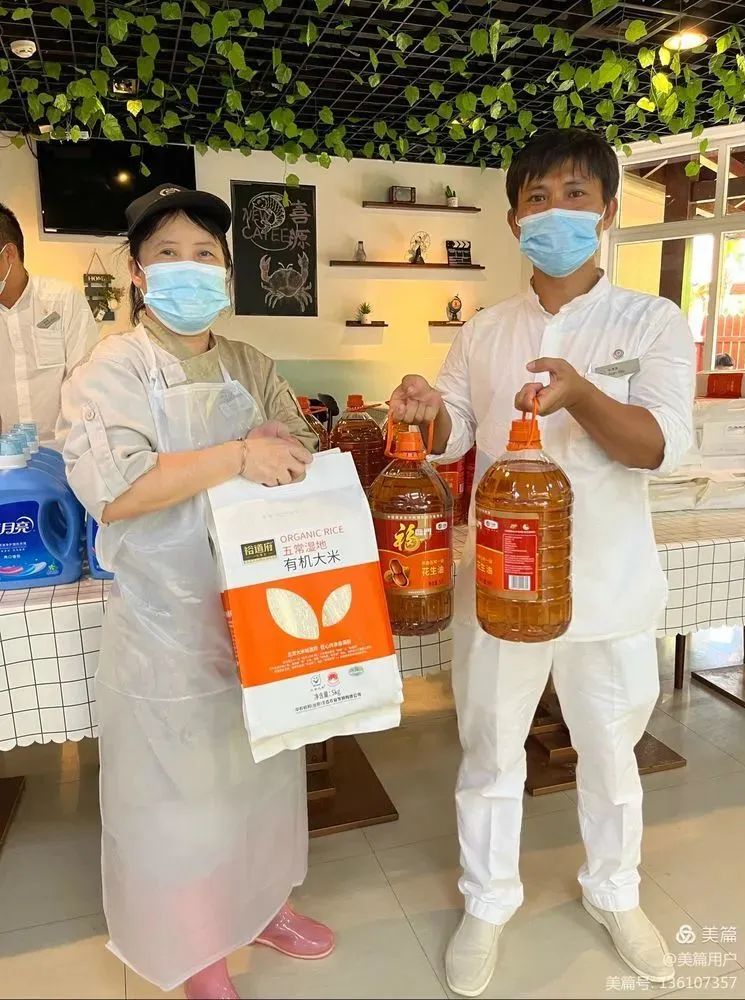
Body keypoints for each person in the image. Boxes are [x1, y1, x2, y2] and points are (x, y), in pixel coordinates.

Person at [389, 129, 694, 997]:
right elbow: (451, 430)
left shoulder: (651, 322)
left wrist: (584, 393)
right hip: (500, 583)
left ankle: (615, 893)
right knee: (490, 749)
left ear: (606, 211)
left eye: (574, 194)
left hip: (606, 583)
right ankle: (487, 901)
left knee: (610, 753)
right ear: (513, 218)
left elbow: (659, 445)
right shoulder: (486, 330)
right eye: (536, 197)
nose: (554, 211)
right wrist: (421, 408)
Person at [59, 184, 333, 1000]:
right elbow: (117, 489)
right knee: (181, 799)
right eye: (168, 254)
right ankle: (196, 954)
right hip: (167, 623)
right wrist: (239, 455)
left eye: (205, 254)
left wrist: (282, 445)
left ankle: (264, 907)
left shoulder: (249, 363)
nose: (189, 268)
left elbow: (301, 443)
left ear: (227, 270)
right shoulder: (112, 370)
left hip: (259, 609)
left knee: (265, 776)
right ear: (138, 274)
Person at [0, 202, 98, 442]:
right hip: (8, 455)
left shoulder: (63, 301)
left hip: (65, 449)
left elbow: (86, 382)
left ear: (9, 254)